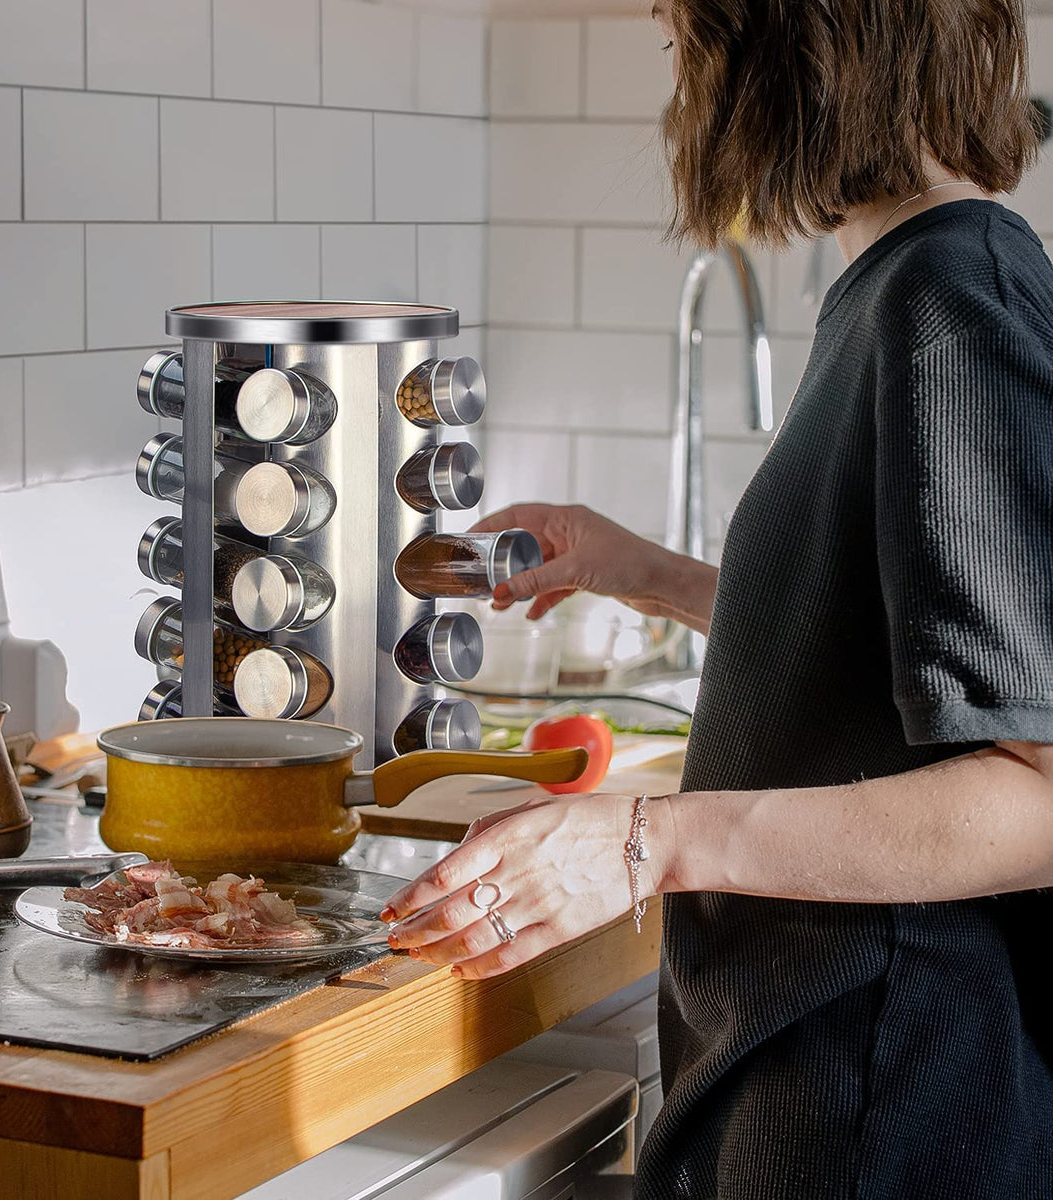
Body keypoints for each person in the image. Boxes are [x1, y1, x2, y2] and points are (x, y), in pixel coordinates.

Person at [381, 1, 1053, 1196]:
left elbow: (1038, 797)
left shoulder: (950, 302)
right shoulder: (902, 281)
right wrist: (639, 570)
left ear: (793, 50)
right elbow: (882, 662)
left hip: (880, 1100)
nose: (683, 82)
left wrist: (643, 844)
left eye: (688, 43)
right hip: (817, 1069)